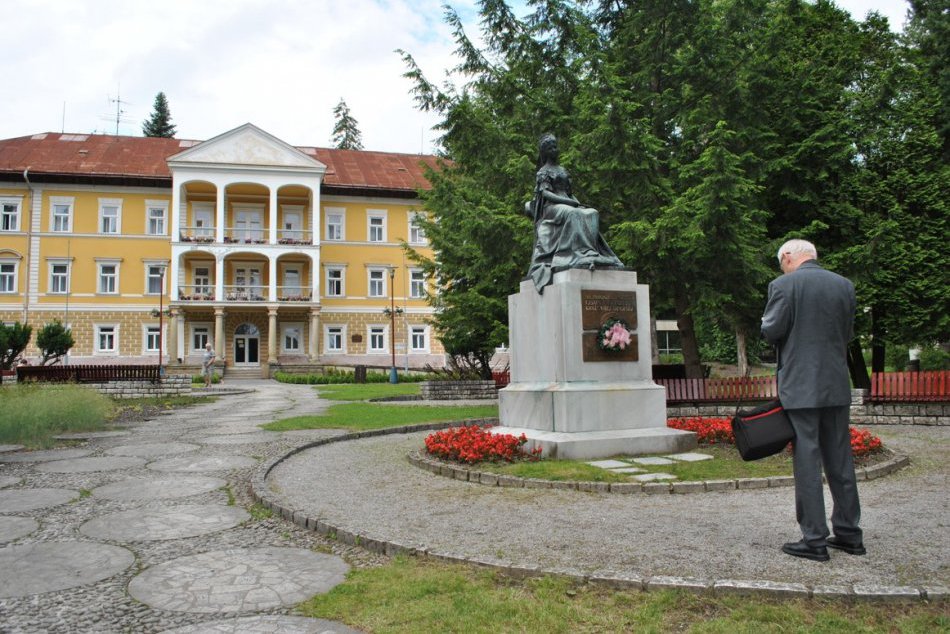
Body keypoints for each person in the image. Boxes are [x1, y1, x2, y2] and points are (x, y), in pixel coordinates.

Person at [761, 239, 864, 562]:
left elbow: (771, 330)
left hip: (801, 387)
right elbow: (847, 333)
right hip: (836, 384)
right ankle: (849, 533)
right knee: (840, 458)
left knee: (807, 460)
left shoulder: (783, 286)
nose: (782, 269)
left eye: (781, 263)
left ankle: (814, 538)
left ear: (788, 257)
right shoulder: (844, 286)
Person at [525, 133, 623, 292]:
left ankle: (589, 252)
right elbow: (546, 194)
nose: (554, 150)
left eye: (555, 147)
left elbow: (570, 194)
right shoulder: (543, 171)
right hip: (551, 208)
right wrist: (568, 203)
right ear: (545, 152)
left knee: (592, 213)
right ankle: (570, 253)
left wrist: (577, 203)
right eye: (551, 148)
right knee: (573, 213)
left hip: (568, 203)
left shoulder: (562, 170)